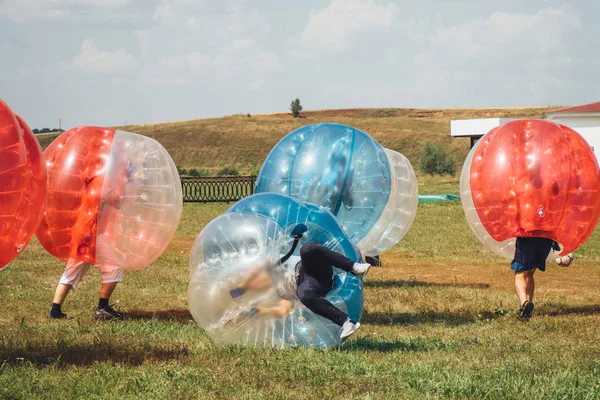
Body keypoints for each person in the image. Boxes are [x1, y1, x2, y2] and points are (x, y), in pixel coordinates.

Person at [228, 228, 371, 340]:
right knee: (304, 295)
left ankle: (354, 267)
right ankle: (346, 322)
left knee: (308, 249)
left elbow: (258, 266)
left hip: (310, 268)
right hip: (311, 284)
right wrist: (258, 311)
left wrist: (242, 287)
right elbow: (282, 310)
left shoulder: (273, 265)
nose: (258, 283)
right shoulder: (280, 294)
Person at [47, 155, 132, 321]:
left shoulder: (92, 180)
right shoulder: (104, 182)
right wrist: (124, 178)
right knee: (114, 266)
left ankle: (54, 310)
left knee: (72, 271)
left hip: (82, 232)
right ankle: (102, 308)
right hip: (90, 234)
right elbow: (117, 201)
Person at [511, 237, 562, 321]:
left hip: (528, 237)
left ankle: (524, 303)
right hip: (546, 240)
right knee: (530, 274)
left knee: (520, 273)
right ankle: (528, 307)